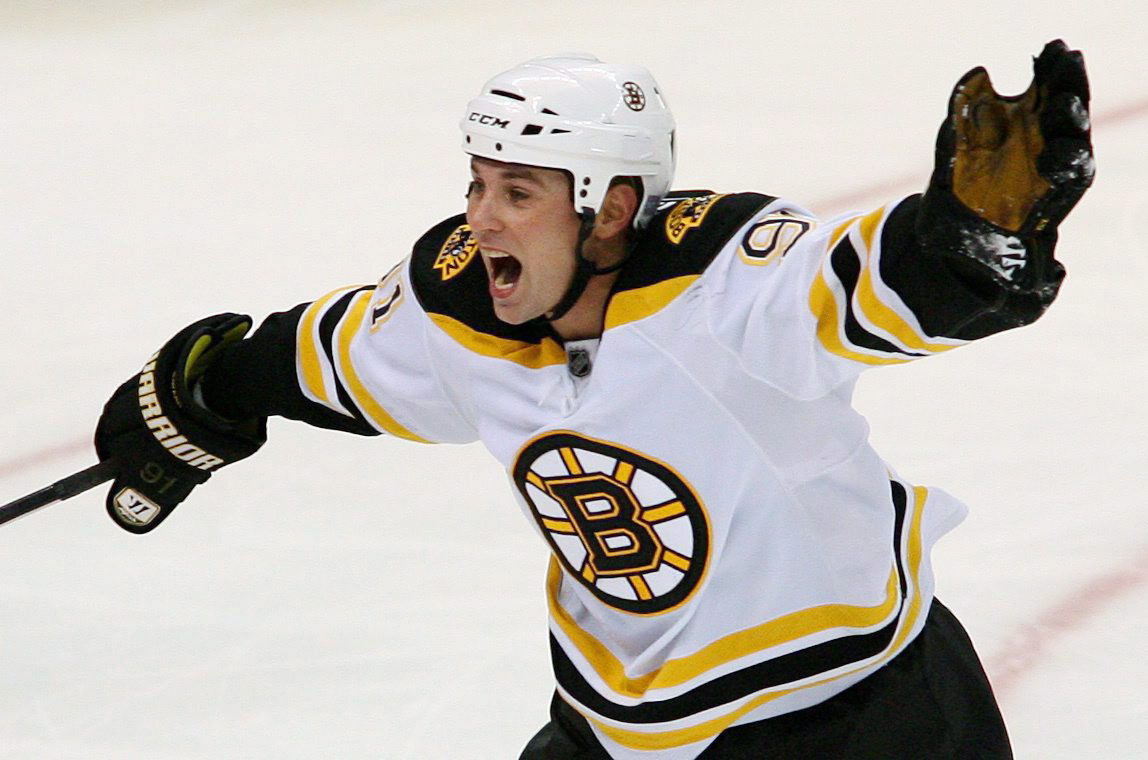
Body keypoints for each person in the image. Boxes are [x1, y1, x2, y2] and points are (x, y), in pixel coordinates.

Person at [94, 40, 1094, 758]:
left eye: (516, 192)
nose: (479, 218)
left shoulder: (722, 285)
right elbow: (329, 354)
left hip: (852, 714)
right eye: (478, 183)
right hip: (613, 725)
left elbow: (860, 287)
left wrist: (963, 237)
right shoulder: (458, 311)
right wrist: (207, 389)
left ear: (611, 207)